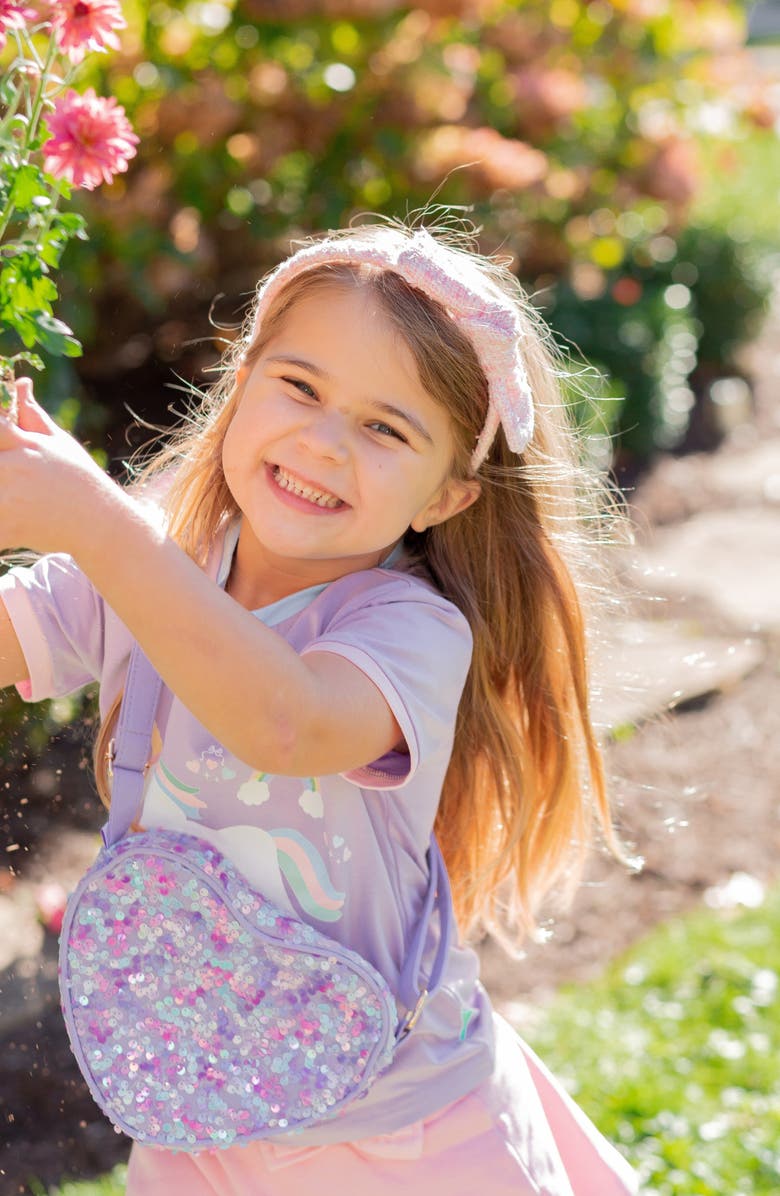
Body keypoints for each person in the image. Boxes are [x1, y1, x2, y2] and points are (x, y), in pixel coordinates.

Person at [0, 221, 638, 1195]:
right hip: (199, 1103)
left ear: (450, 495)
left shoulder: (411, 631)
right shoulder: (167, 547)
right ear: (243, 378)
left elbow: (285, 722)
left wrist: (94, 522)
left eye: (388, 428)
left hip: (399, 1132)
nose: (324, 443)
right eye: (298, 386)